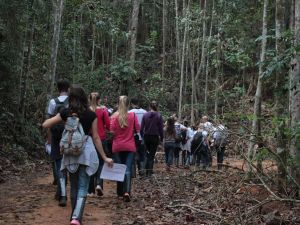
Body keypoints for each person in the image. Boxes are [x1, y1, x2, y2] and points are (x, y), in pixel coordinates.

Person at [43, 85, 113, 225]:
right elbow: (96, 137)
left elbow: (46, 124)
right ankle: (76, 217)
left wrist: (66, 124)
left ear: (71, 98)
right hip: (85, 153)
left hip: (70, 153)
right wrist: (105, 157)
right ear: (84, 98)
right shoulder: (90, 114)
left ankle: (74, 216)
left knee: (74, 185)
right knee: (83, 186)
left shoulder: (65, 112)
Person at [110, 95, 140, 202]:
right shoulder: (132, 115)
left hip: (117, 146)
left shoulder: (114, 117)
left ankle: (119, 193)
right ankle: (127, 191)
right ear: (128, 104)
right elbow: (138, 128)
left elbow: (111, 131)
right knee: (127, 169)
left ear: (118, 104)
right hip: (129, 146)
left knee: (119, 169)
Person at [46, 78, 70, 207]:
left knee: (58, 163)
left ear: (58, 89)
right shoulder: (72, 102)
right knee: (68, 163)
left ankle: (62, 194)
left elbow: (49, 122)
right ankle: (61, 192)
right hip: (69, 136)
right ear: (68, 89)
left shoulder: (52, 102)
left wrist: (49, 139)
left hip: (56, 136)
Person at [87, 92, 110, 197]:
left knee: (90, 163)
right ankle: (99, 184)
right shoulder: (103, 111)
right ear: (99, 100)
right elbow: (108, 125)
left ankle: (90, 190)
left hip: (90, 139)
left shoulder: (86, 111)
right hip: (101, 139)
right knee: (101, 162)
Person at [141, 101, 164, 176]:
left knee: (147, 154)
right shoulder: (159, 116)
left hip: (146, 137)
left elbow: (141, 128)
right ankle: (149, 172)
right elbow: (161, 128)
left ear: (150, 106)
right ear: (157, 106)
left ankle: (146, 170)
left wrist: (142, 137)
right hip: (154, 137)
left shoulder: (145, 115)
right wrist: (161, 138)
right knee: (151, 155)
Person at [129, 97, 147, 176]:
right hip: (142, 137)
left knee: (132, 154)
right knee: (142, 154)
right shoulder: (145, 112)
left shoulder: (130, 112)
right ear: (138, 103)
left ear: (131, 103)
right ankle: (142, 172)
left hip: (133, 137)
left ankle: (133, 173)